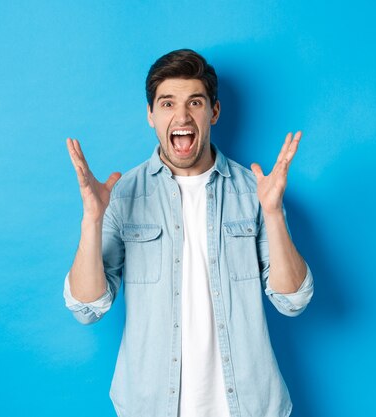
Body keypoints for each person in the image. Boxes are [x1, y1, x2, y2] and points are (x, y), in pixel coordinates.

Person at [63, 49, 314, 417]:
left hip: (248, 406)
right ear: (151, 115)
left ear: (213, 111)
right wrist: (91, 220)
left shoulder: (255, 191)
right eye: (167, 104)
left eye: (194, 102)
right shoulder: (121, 196)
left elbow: (293, 302)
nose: (181, 116)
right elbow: (87, 309)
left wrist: (273, 213)